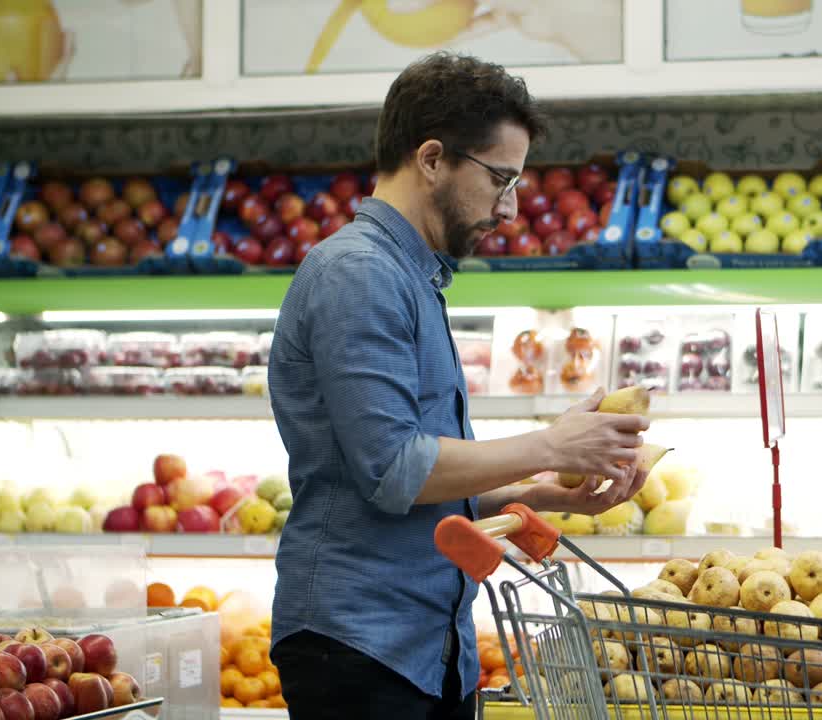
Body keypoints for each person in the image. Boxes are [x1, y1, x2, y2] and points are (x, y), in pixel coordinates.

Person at [266, 52, 649, 720]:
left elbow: (428, 478)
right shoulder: (358, 274)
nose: (510, 209)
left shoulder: (412, 275)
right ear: (433, 159)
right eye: (500, 179)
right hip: (359, 649)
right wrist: (552, 445)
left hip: (421, 643)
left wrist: (542, 493)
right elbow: (395, 470)